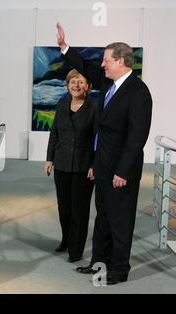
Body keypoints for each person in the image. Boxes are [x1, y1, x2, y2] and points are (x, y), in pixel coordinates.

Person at [56, 22, 153, 285]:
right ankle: (99, 264)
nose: (102, 65)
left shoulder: (138, 92)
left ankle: (119, 270)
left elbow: (137, 137)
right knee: (103, 217)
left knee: (120, 221)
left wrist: (122, 170)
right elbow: (85, 66)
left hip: (121, 169)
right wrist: (65, 48)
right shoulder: (109, 84)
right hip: (102, 164)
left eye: (106, 60)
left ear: (120, 61)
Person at [45, 69, 95, 263]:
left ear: (88, 86)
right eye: (72, 82)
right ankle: (66, 239)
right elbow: (54, 132)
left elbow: (99, 138)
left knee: (79, 210)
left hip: (84, 166)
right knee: (64, 208)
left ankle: (76, 249)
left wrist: (95, 164)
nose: (76, 85)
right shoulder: (62, 103)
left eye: (80, 82)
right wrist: (49, 159)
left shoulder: (95, 106)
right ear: (67, 86)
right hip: (62, 163)